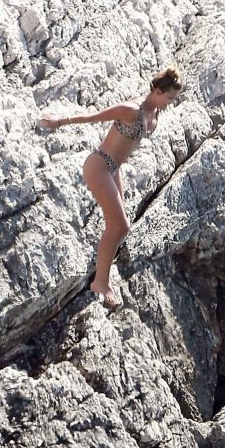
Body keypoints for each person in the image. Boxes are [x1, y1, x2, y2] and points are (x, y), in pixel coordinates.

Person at [39, 67, 182, 309]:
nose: (171, 103)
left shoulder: (155, 112)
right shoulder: (131, 110)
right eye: (169, 98)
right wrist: (59, 122)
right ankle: (100, 283)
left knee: (121, 227)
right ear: (157, 91)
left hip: (114, 169)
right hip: (99, 166)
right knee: (120, 225)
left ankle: (102, 269)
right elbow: (93, 117)